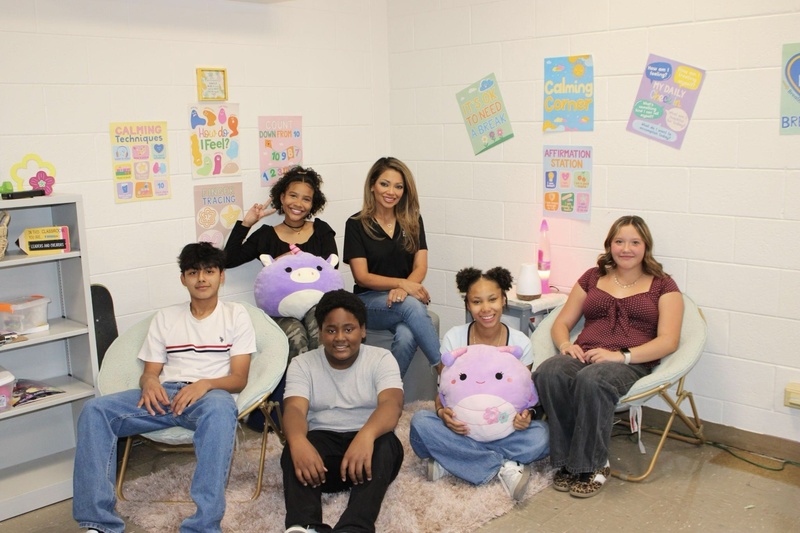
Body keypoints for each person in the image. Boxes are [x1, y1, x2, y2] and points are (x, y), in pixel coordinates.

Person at [73, 242, 256, 533]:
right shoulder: (166, 317)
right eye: (193, 272)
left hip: (209, 398)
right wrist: (149, 383)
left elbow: (239, 378)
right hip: (165, 396)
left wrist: (204, 385)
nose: (201, 279)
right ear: (183, 278)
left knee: (222, 409)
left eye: (209, 271)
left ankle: (203, 526)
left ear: (221, 276)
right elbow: (150, 372)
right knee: (95, 410)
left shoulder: (237, 315)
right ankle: (98, 523)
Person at [533, 215, 683, 498]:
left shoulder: (663, 285)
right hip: (586, 353)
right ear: (609, 245)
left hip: (630, 361)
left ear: (646, 246)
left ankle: (595, 464)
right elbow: (561, 322)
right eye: (619, 241)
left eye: (635, 242)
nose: (626, 249)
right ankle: (566, 460)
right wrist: (565, 344)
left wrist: (621, 356)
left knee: (593, 380)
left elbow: (669, 340)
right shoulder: (592, 277)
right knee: (549, 372)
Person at [408, 267, 549, 501]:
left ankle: (452, 459)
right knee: (420, 422)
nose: (486, 308)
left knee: (542, 435)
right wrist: (443, 414)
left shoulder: (520, 342)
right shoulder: (454, 338)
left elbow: (525, 397)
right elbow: (443, 393)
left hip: (503, 429)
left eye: (492, 299)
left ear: (504, 300)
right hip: (462, 429)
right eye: (476, 301)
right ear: (467, 305)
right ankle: (501, 465)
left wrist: (526, 416)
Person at [281, 289, 404, 533]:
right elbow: (294, 408)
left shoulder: (382, 358)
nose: (340, 338)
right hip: (323, 461)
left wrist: (366, 436)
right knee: (292, 451)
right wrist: (297, 442)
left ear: (363, 330)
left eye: (349, 329)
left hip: (368, 454)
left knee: (387, 445)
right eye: (331, 330)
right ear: (320, 332)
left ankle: (354, 527)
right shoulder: (302, 364)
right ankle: (306, 527)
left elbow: (392, 404)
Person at [224, 165, 337, 430]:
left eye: (306, 199)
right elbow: (227, 260)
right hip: (281, 312)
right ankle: (300, 408)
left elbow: (328, 270)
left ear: (313, 204)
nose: (298, 203)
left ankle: (326, 402)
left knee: (317, 325)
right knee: (296, 335)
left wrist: (298, 261)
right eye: (293, 196)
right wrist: (247, 223)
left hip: (318, 307)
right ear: (282, 197)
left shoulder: (322, 230)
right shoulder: (265, 235)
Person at [343, 156, 440, 376]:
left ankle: (389, 389)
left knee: (406, 336)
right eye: (384, 184)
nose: (391, 192)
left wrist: (403, 289)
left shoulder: (413, 220)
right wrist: (402, 284)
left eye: (398, 186)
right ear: (372, 186)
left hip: (402, 298)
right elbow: (362, 277)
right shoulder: (356, 224)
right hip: (368, 301)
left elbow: (420, 266)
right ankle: (444, 371)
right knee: (412, 306)